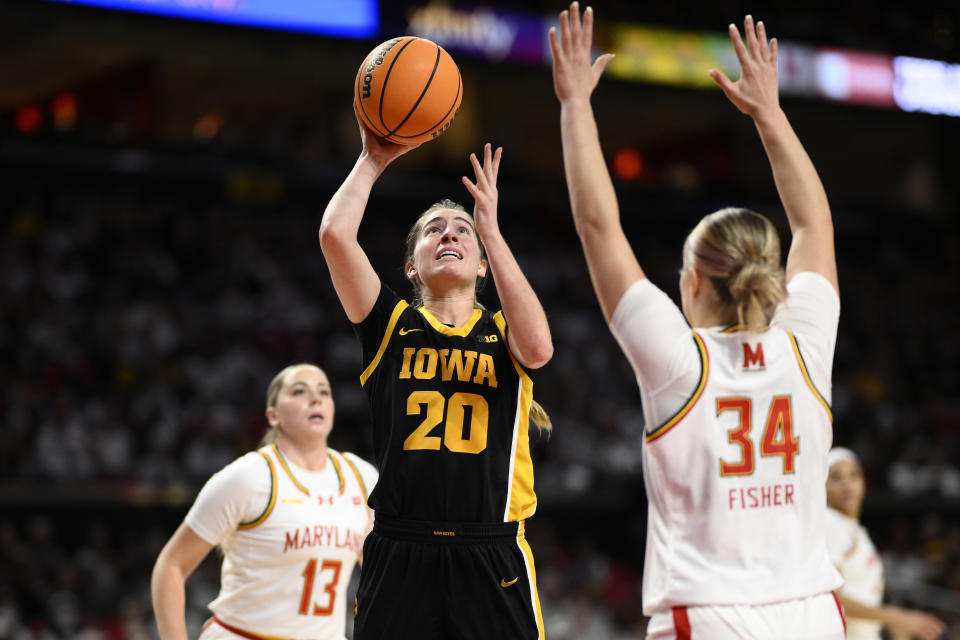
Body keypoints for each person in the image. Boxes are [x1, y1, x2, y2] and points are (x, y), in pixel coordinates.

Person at [552, 4, 846, 638]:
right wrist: (769, 114)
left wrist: (576, 107)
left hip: (711, 615)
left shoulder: (679, 362)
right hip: (815, 614)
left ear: (690, 282)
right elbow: (813, 224)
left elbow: (598, 226)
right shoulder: (807, 344)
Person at [318, 106, 554, 639]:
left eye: (462, 230)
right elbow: (335, 235)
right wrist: (372, 159)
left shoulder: (502, 331)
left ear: (483, 263)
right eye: (433, 231)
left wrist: (491, 230)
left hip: (490, 548)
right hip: (401, 547)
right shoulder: (391, 326)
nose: (449, 235)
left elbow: (539, 348)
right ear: (410, 265)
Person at [151, 363, 378, 640]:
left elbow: (381, 573)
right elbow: (171, 565)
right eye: (299, 391)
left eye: (324, 392)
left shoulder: (361, 476)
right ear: (273, 415)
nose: (316, 398)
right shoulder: (248, 477)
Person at [826, 447, 946, 640]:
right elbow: (829, 597)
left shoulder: (854, 530)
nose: (846, 483)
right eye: (836, 477)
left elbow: (860, 595)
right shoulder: (831, 522)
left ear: (864, 482)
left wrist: (889, 621)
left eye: (853, 475)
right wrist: (895, 617)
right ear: (823, 487)